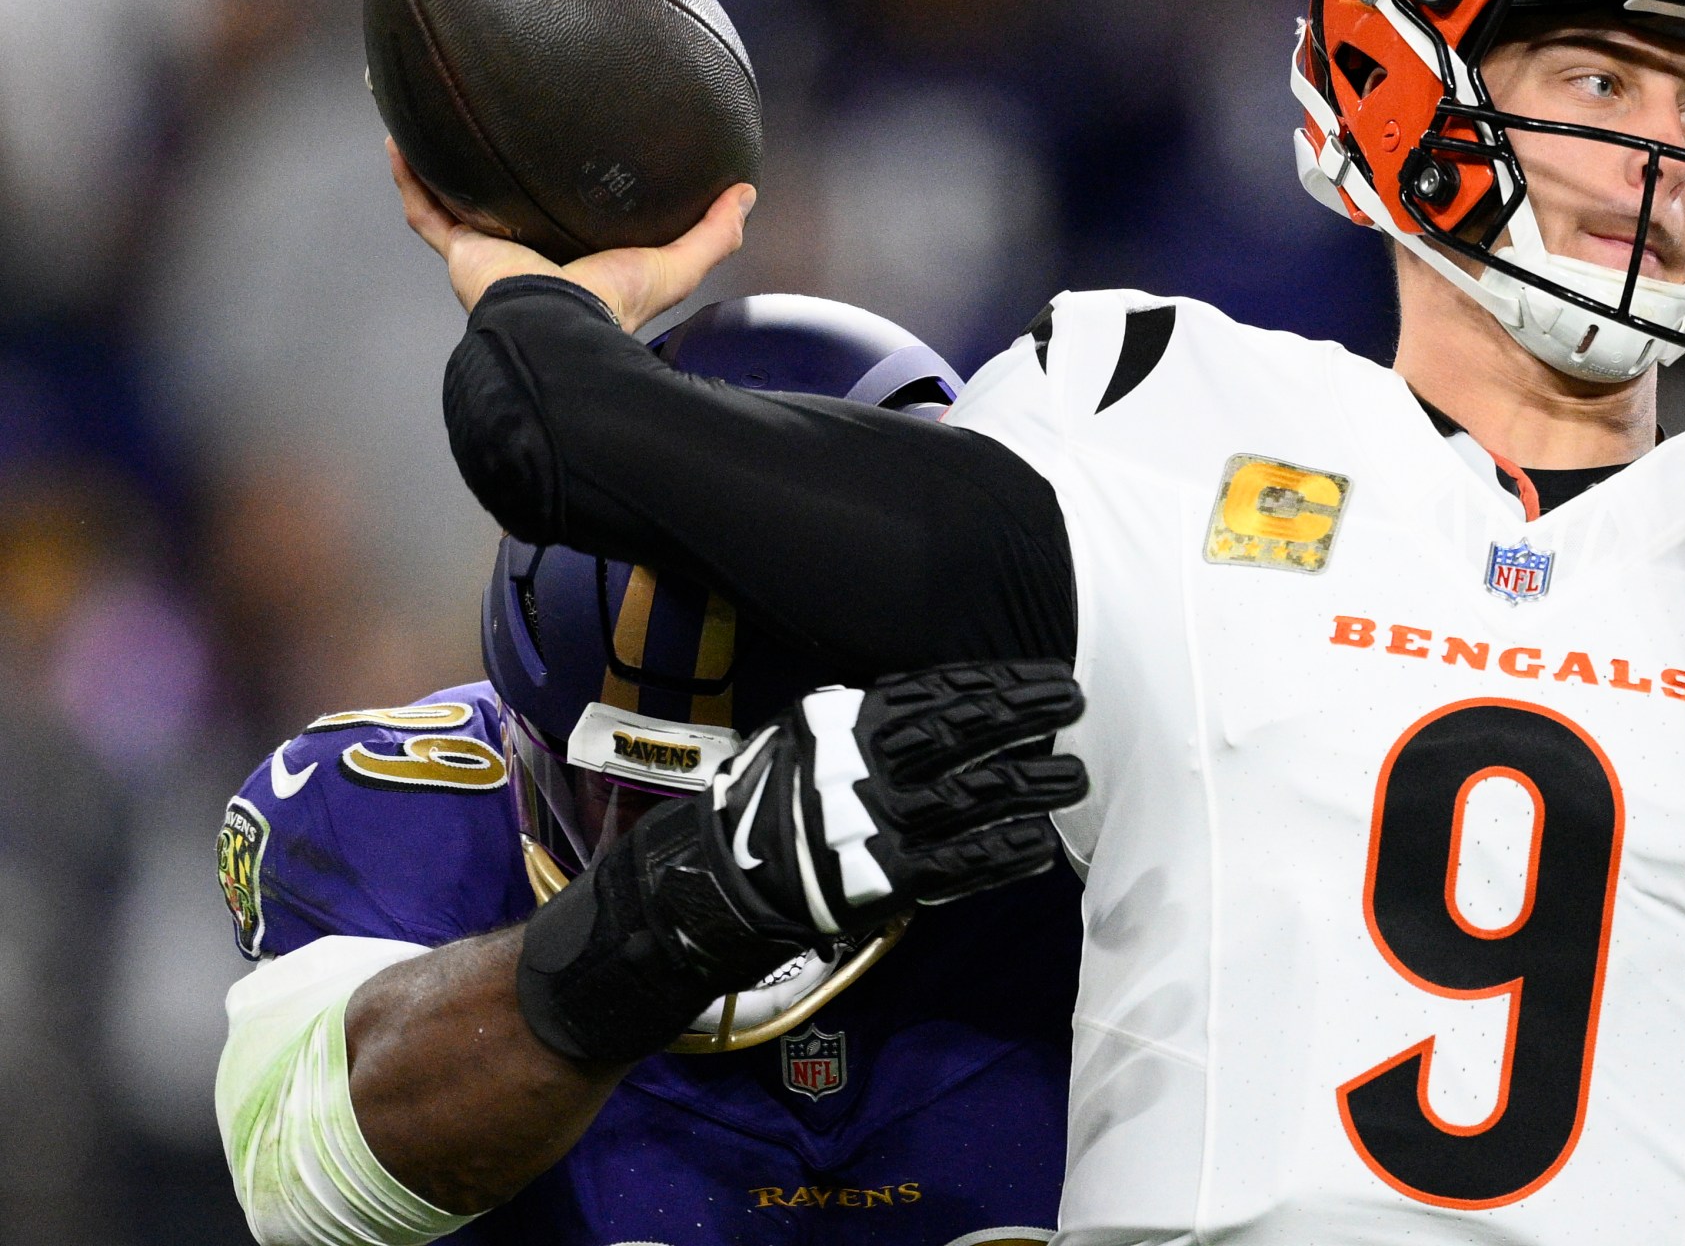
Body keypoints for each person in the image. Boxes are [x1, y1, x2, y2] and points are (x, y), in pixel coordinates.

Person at [409, 0, 1685, 1242]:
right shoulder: (1162, 423)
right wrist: (559, 304)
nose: (1667, 161)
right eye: (1605, 83)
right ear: (1406, 69)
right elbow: (603, 458)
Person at [214, 297, 1093, 1246]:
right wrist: (673, 910)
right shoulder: (402, 808)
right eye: (611, 795)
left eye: (740, 796)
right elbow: (297, 1173)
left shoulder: (1106, 816)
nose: (648, 836)